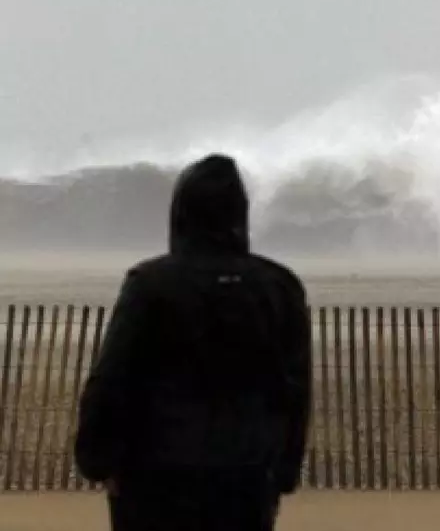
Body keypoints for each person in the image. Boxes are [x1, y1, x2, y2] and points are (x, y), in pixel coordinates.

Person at [74, 154, 312, 531]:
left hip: (155, 478)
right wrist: (284, 470)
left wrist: (97, 460)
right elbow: (294, 388)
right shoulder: (279, 287)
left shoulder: (150, 284)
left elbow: (112, 378)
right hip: (246, 479)